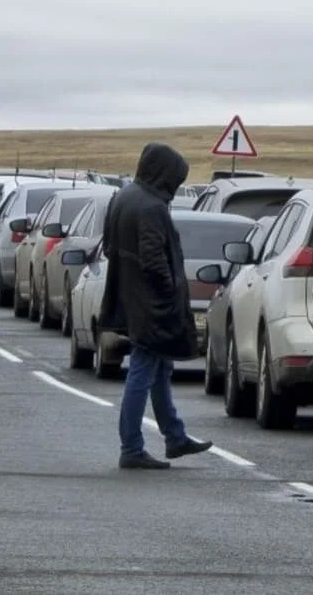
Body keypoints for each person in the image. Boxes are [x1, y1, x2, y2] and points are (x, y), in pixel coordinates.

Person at [97, 143, 213, 469]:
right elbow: (153, 260)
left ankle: (175, 437)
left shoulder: (124, 196)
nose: (175, 186)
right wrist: (169, 291)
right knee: (143, 370)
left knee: (160, 369)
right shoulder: (151, 207)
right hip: (152, 305)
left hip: (132, 298)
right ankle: (131, 448)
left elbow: (109, 247)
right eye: (175, 178)